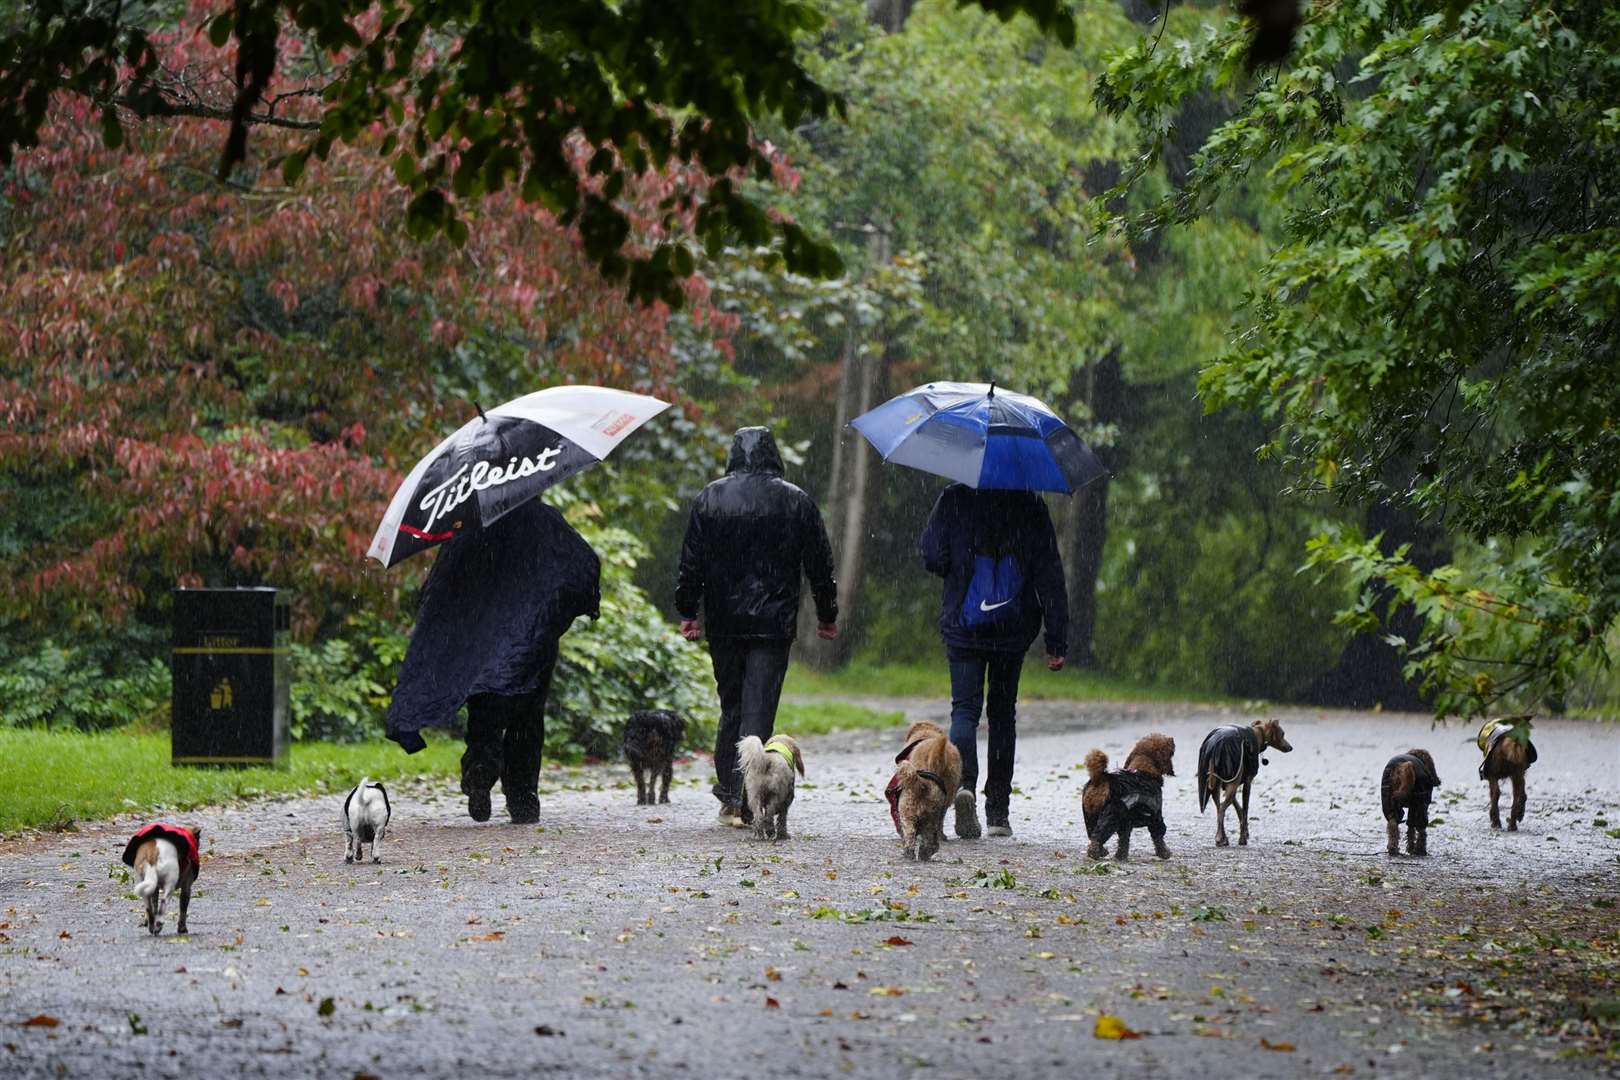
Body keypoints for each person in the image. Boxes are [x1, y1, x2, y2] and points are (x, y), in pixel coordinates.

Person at [386, 497, 600, 824]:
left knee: (484, 708)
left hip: (481, 641)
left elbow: (438, 588)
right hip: (532, 638)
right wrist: (561, 610)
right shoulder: (545, 520)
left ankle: (480, 769)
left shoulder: (471, 526)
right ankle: (522, 794)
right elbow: (583, 567)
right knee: (527, 716)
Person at [675, 427, 838, 827]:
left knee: (731, 705)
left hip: (725, 622)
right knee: (759, 709)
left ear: (734, 454)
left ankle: (731, 796)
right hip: (773, 622)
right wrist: (827, 613)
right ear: (773, 455)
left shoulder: (710, 498)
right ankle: (751, 802)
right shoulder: (796, 500)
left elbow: (690, 561)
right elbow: (819, 564)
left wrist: (688, 610)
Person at [919, 485, 1067, 839]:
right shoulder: (1029, 503)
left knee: (965, 710)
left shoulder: (955, 496)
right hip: (1012, 628)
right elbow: (1050, 574)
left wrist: (960, 563)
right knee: (1002, 713)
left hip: (964, 623)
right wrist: (1056, 637)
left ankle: (963, 784)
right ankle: (998, 811)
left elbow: (931, 556)